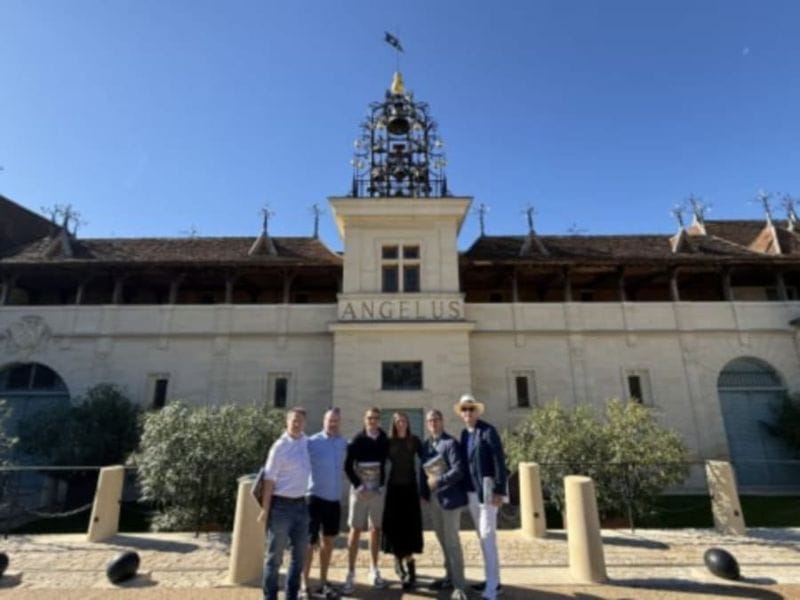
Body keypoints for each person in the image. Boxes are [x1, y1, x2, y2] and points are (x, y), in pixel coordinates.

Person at [457, 394, 508, 600]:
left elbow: (499, 461)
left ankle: (492, 590)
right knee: (484, 538)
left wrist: (500, 491)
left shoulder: (488, 431)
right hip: (472, 493)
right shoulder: (464, 434)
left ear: (477, 412)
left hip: (488, 493)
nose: (468, 412)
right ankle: (493, 580)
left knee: (487, 537)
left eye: (471, 409)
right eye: (464, 409)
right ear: (461, 413)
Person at [258, 407, 311, 600]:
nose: (297, 424)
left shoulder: (307, 443)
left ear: (304, 423)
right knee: (274, 557)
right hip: (281, 507)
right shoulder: (279, 447)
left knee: (299, 557)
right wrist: (265, 510)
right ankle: (270, 596)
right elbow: (269, 480)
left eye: (300, 420)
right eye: (293, 420)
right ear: (287, 422)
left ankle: (291, 595)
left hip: (302, 506)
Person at [419, 409, 469, 600]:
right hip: (434, 500)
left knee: (452, 542)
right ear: (427, 424)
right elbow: (424, 471)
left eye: (436, 420)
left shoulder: (451, 443)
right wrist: (424, 493)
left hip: (450, 500)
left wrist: (438, 481)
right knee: (442, 540)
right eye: (430, 420)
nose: (433, 423)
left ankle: (460, 586)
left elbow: (459, 470)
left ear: (442, 421)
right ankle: (449, 577)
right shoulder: (426, 445)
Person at [343, 406, 389, 593]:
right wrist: (358, 486)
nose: (373, 421)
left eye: (376, 418)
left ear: (379, 420)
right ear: (365, 420)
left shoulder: (384, 438)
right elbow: (347, 466)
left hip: (376, 492)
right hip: (360, 492)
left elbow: (385, 463)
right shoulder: (357, 439)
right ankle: (350, 572)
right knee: (354, 530)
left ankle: (374, 568)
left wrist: (382, 484)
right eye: (370, 418)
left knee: (375, 529)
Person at [303, 407, 347, 599]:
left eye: (336, 421)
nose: (333, 424)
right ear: (324, 421)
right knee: (309, 543)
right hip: (314, 499)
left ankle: (322, 582)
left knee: (328, 542)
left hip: (334, 501)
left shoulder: (343, 442)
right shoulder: (311, 442)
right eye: (330, 420)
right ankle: (304, 584)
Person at [381, 411, 424, 589]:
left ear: (408, 423)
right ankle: (398, 562)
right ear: (394, 424)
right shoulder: (388, 442)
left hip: (410, 489)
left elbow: (427, 460)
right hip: (393, 489)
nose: (401, 424)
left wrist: (430, 482)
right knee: (394, 527)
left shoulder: (414, 441)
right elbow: (378, 462)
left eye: (404, 421)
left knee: (409, 527)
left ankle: (410, 564)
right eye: (398, 421)